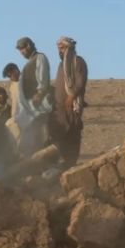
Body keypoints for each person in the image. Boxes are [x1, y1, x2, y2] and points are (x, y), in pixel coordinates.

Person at [50, 36, 89, 166]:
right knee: (60, 137)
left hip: (71, 108)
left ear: (69, 48)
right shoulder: (62, 65)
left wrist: (72, 96)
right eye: (58, 48)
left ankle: (71, 165)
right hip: (60, 110)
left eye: (62, 48)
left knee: (72, 136)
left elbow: (80, 82)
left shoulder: (78, 61)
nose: (60, 51)